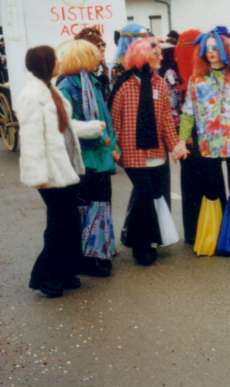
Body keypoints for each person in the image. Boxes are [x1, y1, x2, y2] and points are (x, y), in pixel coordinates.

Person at [16, 46, 103, 297]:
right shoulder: (32, 96)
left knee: (69, 222)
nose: (60, 61)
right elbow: (31, 138)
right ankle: (44, 277)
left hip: (64, 168)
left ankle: (65, 272)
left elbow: (65, 126)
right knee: (58, 225)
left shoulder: (50, 89)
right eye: (55, 59)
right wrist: (38, 176)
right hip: (49, 173)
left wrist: (91, 128)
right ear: (46, 64)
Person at [179, 27, 230, 257]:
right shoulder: (196, 80)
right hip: (209, 144)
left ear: (226, 50)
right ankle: (213, 238)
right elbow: (188, 112)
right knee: (212, 191)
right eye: (207, 49)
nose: (211, 53)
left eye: (216, 48)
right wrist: (182, 140)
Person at [110, 38, 188, 266]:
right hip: (133, 153)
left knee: (155, 196)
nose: (161, 57)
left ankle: (149, 239)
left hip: (157, 153)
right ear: (143, 56)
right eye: (156, 53)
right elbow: (114, 120)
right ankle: (140, 244)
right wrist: (113, 147)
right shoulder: (124, 85)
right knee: (144, 195)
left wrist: (174, 146)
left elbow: (166, 120)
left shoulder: (160, 84)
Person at [56, 39, 119, 278]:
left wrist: (112, 142)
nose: (99, 58)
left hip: (100, 155)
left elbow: (105, 117)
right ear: (82, 58)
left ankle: (99, 253)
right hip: (84, 157)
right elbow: (67, 124)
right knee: (89, 206)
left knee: (100, 205)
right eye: (94, 55)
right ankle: (90, 257)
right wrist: (97, 133)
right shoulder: (67, 86)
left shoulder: (92, 81)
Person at [174, 28, 206, 244]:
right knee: (196, 184)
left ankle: (197, 230)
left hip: (198, 133)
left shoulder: (198, 72)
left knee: (195, 184)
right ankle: (195, 231)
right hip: (189, 134)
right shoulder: (176, 74)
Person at [74, 27, 111, 101]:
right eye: (98, 46)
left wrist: (105, 72)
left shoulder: (98, 75)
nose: (103, 48)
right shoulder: (75, 79)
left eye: (103, 45)